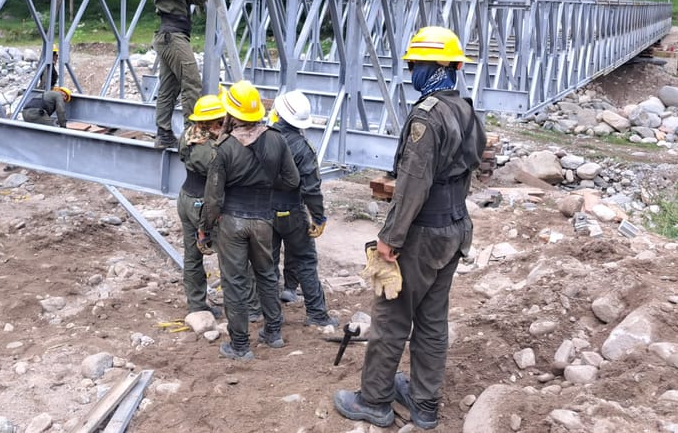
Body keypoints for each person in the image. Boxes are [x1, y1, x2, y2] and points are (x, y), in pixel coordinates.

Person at [333, 26, 487, 429]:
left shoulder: (427, 116)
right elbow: (467, 169)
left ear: (431, 66)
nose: (411, 72)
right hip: (454, 229)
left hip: (421, 233)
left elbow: (414, 182)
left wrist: (391, 238)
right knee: (433, 322)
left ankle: (375, 401)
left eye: (414, 64)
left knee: (391, 319)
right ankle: (425, 405)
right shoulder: (467, 110)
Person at [199, 80, 299, 360]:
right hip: (263, 219)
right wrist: (265, 185)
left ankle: (240, 345)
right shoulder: (277, 139)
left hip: (232, 221)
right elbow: (292, 180)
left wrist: (205, 228)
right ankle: (273, 332)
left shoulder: (225, 147)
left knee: (234, 282)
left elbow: (214, 198)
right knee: (267, 274)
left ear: (231, 113)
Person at [268, 89, 337, 328]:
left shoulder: (262, 138)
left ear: (278, 113)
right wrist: (318, 217)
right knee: (305, 260)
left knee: (266, 262)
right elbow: (311, 187)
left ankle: (261, 312)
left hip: (264, 210)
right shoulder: (302, 148)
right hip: (292, 211)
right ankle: (317, 314)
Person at [149, 0, 225, 149]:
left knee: (168, 88)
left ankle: (163, 133)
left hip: (171, 37)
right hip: (172, 37)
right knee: (191, 83)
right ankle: (193, 133)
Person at [176, 93, 227, 319]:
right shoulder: (210, 150)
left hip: (185, 197)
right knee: (229, 252)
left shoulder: (188, 135)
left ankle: (196, 304)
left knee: (192, 255)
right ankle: (243, 304)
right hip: (203, 204)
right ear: (215, 121)